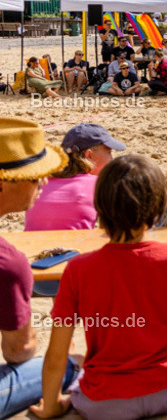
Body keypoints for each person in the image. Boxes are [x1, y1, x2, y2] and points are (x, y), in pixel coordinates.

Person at [32, 154, 167, 419]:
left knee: (76, 363)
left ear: (99, 208)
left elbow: (56, 356)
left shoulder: (78, 269)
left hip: (106, 402)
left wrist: (52, 405)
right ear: (159, 207)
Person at [0, 118, 80, 418]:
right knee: (69, 363)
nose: (44, 182)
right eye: (35, 176)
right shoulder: (8, 263)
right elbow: (19, 351)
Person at [25, 124, 125, 232]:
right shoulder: (97, 185)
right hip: (73, 247)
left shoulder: (42, 182)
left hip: (29, 246)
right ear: (89, 155)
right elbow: (110, 232)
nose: (112, 158)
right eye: (109, 152)